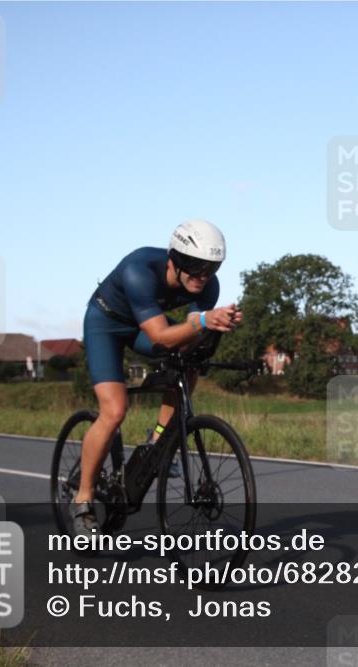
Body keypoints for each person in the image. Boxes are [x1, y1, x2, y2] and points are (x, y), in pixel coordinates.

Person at [72, 219, 243, 535]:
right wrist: (204, 320)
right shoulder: (140, 270)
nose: (203, 276)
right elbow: (162, 337)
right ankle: (83, 500)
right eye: (195, 267)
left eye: (211, 268)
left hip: (145, 325)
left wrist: (215, 327)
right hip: (106, 324)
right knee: (114, 411)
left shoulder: (208, 286)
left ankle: (158, 440)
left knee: (188, 363)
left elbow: (189, 336)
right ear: (175, 259)